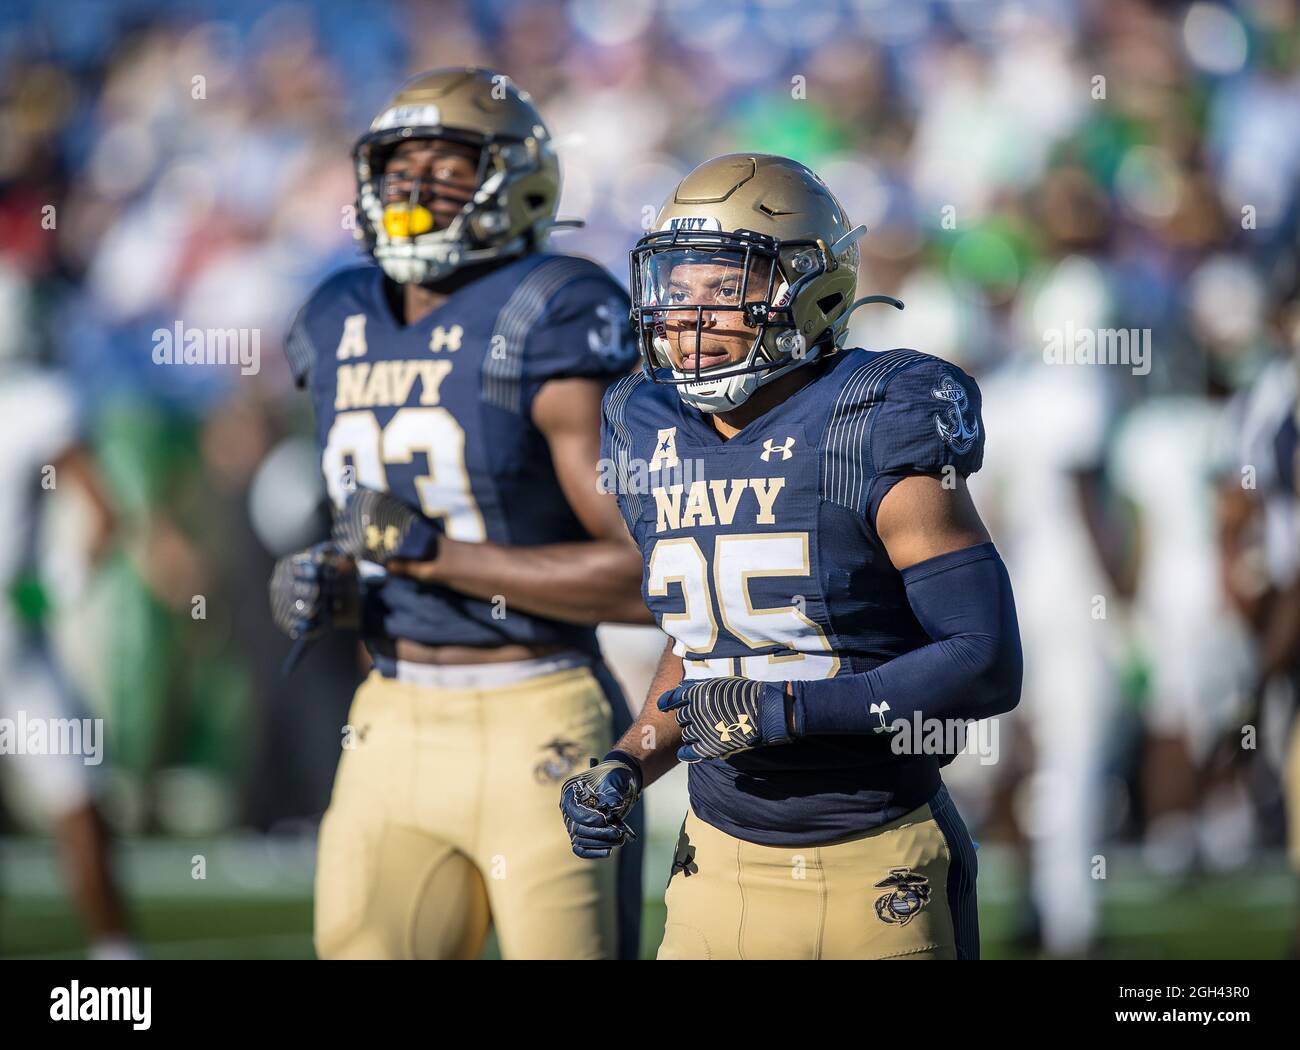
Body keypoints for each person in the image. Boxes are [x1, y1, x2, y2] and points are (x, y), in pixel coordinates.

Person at [562, 153, 1022, 959]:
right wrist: (630, 762)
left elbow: (984, 660)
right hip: (714, 867)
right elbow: (707, 637)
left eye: (722, 288)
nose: (688, 317)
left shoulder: (873, 414)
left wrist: (790, 712)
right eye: (676, 289)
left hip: (876, 861)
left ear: (811, 290)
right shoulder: (646, 422)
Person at [273, 68, 648, 960]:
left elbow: (656, 577)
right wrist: (330, 579)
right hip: (389, 714)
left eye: (444, 168)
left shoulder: (549, 308)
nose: (412, 189)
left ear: (515, 180)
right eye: (398, 169)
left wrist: (441, 560)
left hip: (540, 714)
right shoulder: (337, 314)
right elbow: (366, 525)